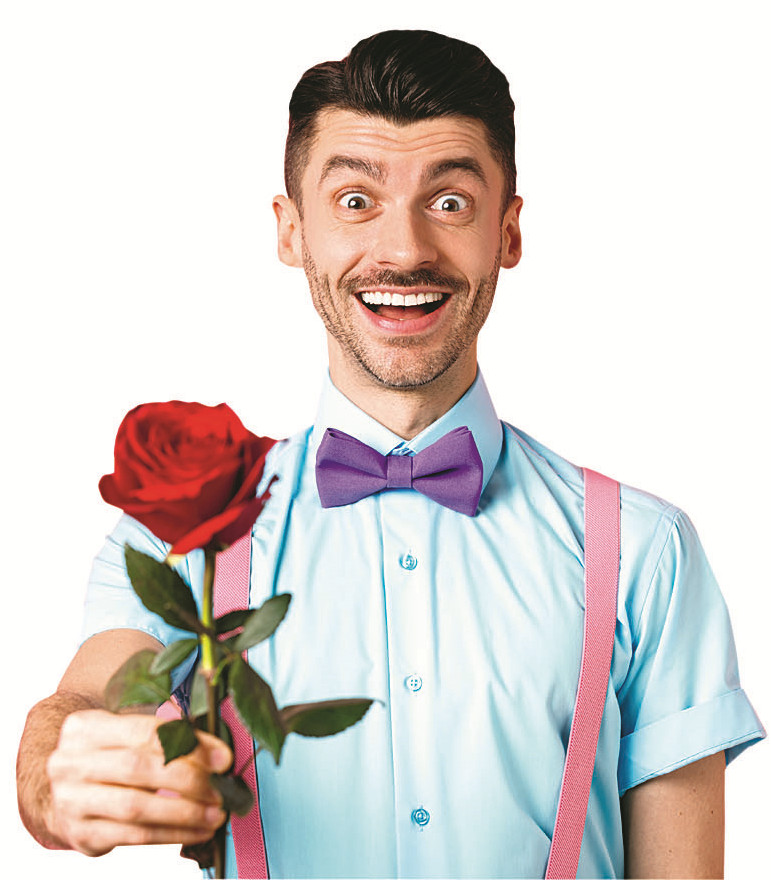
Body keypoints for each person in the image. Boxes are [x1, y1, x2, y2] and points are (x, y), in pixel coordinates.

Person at [16, 29, 764, 879]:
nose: (404, 250)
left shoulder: (643, 550)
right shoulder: (183, 528)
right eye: (354, 200)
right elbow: (86, 699)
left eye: (449, 202)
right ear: (291, 231)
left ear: (507, 232)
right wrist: (65, 769)